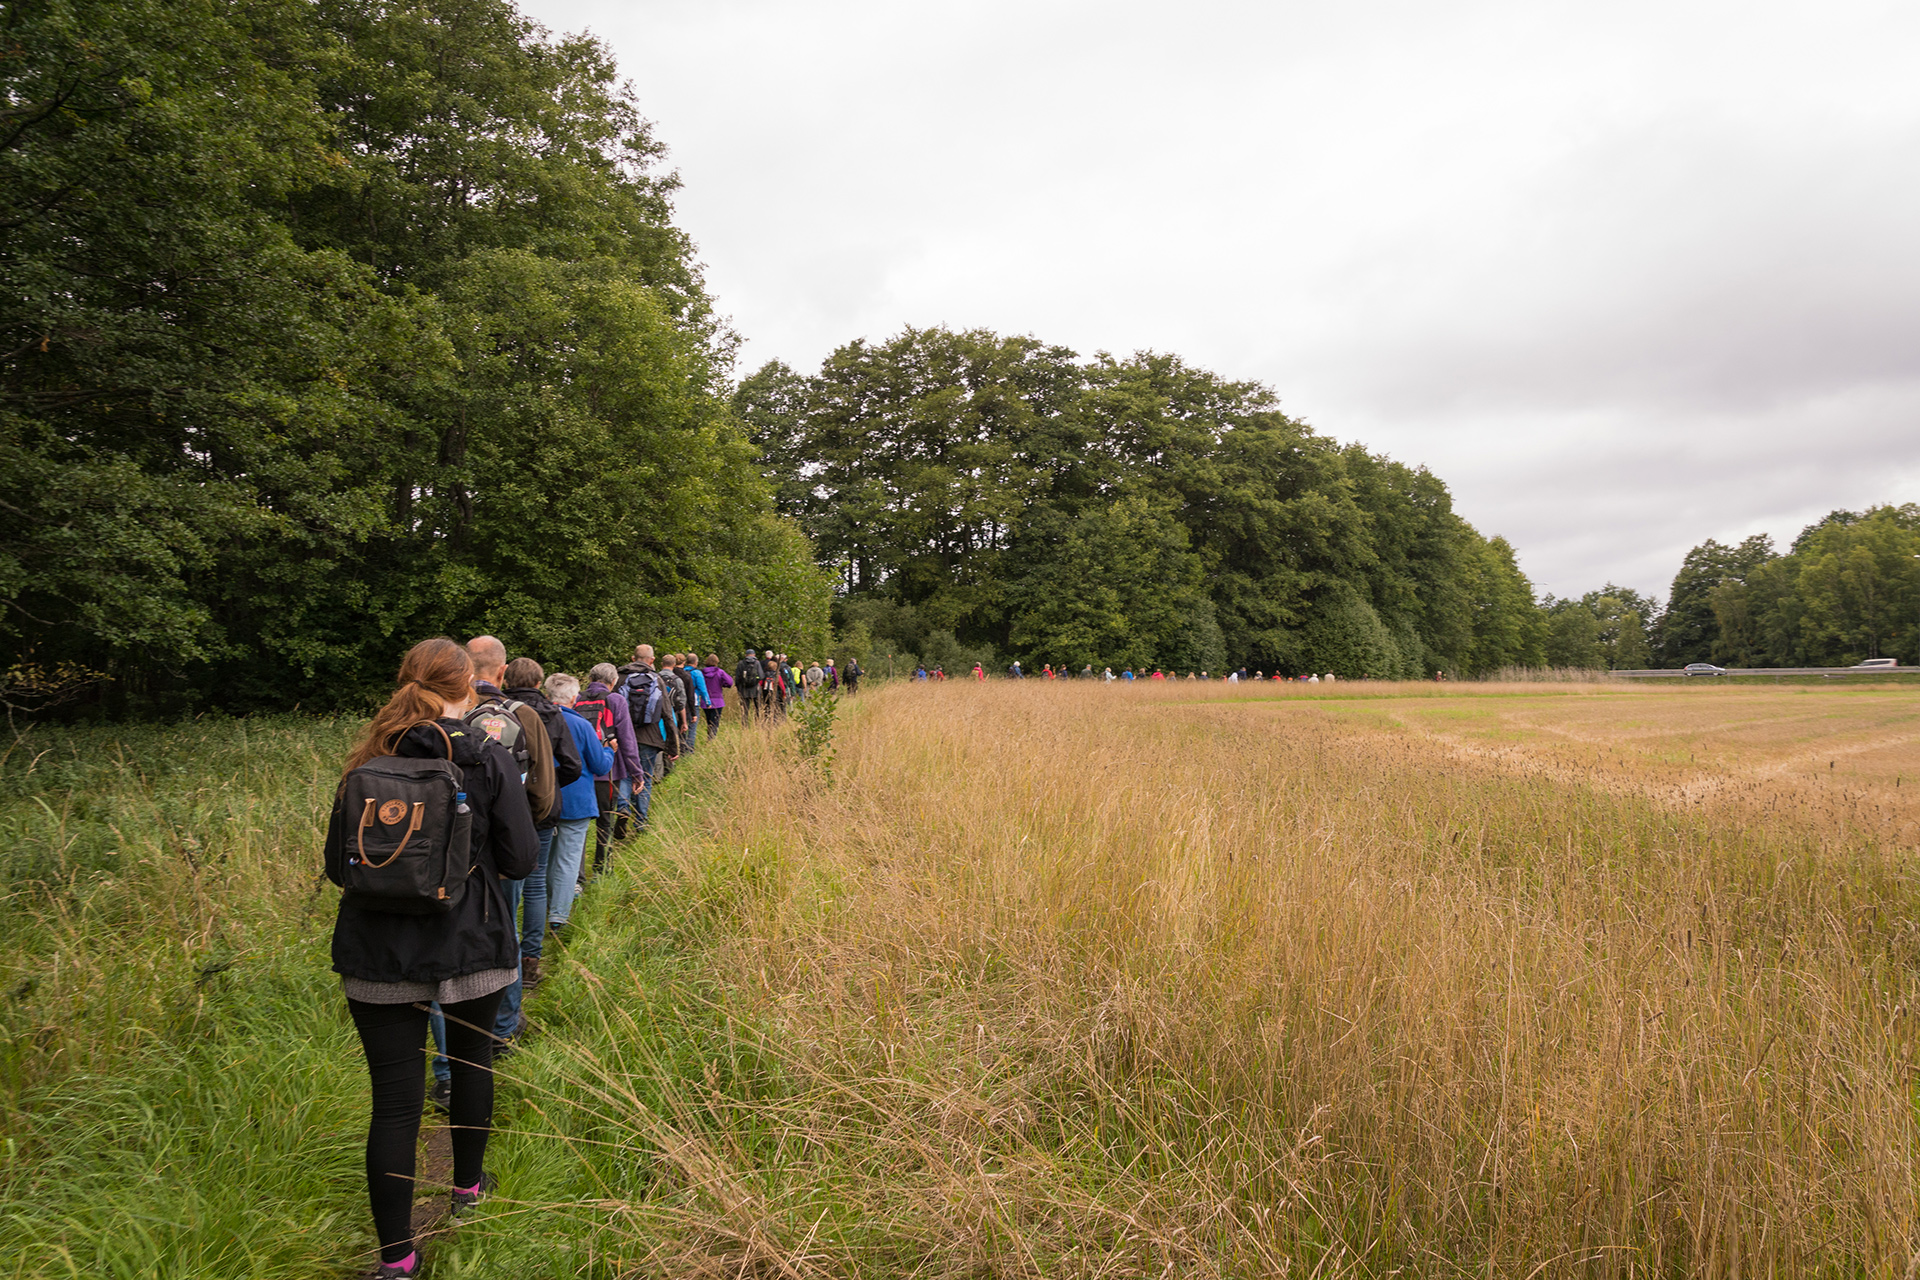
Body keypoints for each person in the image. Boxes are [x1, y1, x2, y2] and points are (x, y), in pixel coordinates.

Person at [325, 638, 537, 1279]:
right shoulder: (488, 757)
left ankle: (397, 1259)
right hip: (469, 939)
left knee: (394, 1102)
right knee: (472, 1067)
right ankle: (467, 1192)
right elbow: (522, 858)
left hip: (378, 950)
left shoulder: (369, 758)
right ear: (468, 686)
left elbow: (341, 866)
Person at [464, 636, 557, 1053]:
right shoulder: (522, 715)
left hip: (455, 852)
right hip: (504, 848)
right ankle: (504, 1025)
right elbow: (542, 790)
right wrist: (523, 831)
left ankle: (458, 1037)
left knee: (462, 933)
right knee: (507, 929)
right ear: (502, 671)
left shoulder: (450, 714)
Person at [540, 673, 614, 941]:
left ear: (548, 695)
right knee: (568, 859)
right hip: (576, 801)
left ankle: (543, 907)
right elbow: (599, 765)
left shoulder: (534, 721)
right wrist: (610, 751)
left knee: (547, 858)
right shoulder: (581, 725)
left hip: (542, 800)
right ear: (574, 698)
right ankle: (558, 917)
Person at [578, 662, 639, 872]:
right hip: (608, 772)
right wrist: (637, 773)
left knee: (580, 826)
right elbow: (628, 740)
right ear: (613, 682)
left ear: (590, 679)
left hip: (579, 772)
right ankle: (601, 867)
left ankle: (577, 876)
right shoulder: (616, 700)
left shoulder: (577, 698)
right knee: (605, 821)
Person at [700, 653, 733, 736]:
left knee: (709, 721)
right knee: (715, 721)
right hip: (718, 700)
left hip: (705, 700)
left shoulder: (702, 673)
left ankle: (709, 736)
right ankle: (711, 739)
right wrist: (723, 684)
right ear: (716, 662)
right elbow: (730, 682)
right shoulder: (720, 672)